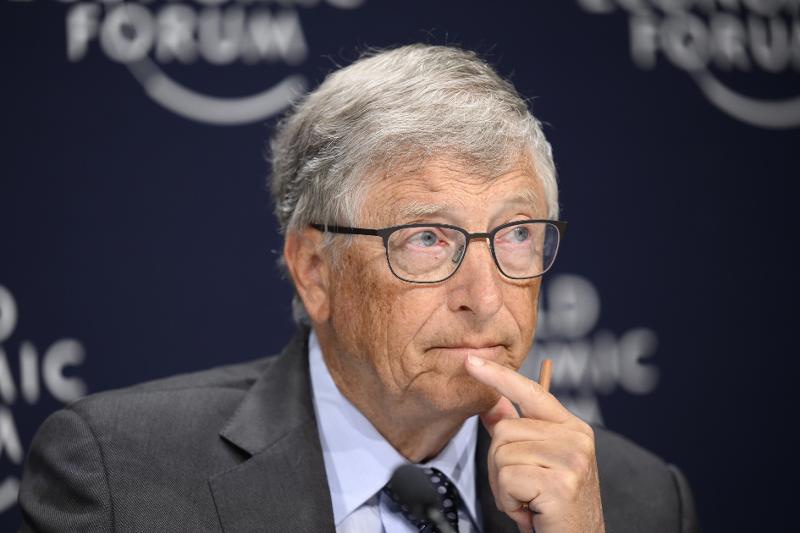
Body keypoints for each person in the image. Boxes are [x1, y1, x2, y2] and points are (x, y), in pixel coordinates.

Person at [18, 44, 700, 533]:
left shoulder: (637, 501)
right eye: (428, 237)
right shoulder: (121, 479)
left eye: (517, 233)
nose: (487, 296)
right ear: (316, 270)